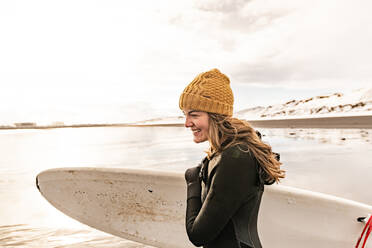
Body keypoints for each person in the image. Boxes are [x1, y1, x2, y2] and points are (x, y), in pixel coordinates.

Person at [179, 68, 285, 248]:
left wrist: (192, 182)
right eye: (185, 114)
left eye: (194, 115)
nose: (187, 123)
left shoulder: (236, 157)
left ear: (215, 115)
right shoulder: (223, 152)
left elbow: (198, 236)